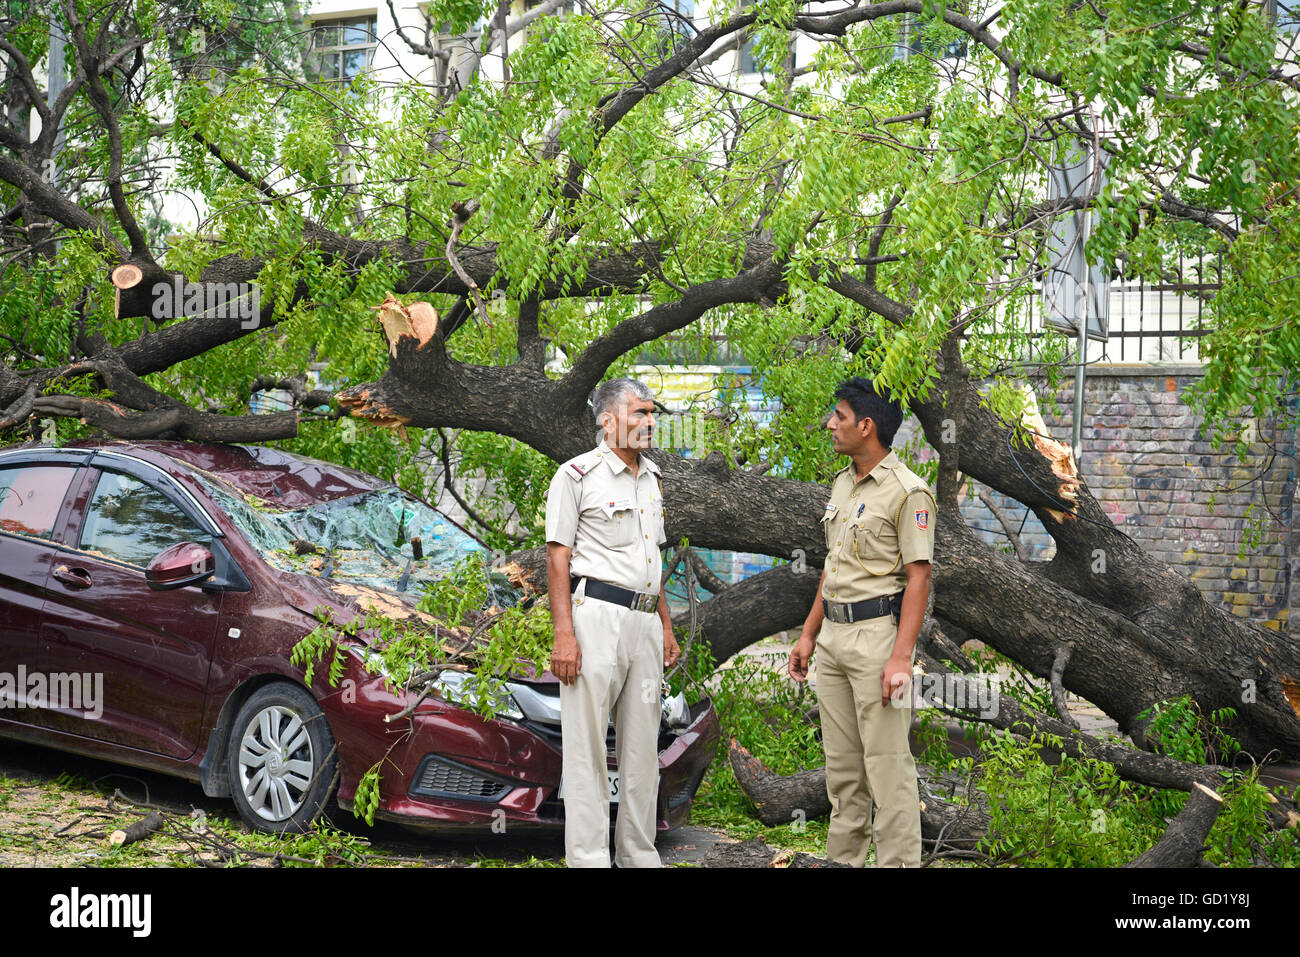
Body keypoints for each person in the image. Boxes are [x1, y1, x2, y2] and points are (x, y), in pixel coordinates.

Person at [787, 376, 935, 868]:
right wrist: (809, 634)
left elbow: (919, 579)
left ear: (866, 426)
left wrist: (900, 658)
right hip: (831, 639)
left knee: (889, 772)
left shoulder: (909, 492)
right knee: (843, 774)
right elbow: (833, 566)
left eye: (840, 417)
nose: (831, 424)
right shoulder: (843, 483)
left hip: (877, 641)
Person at [544, 377, 681, 868]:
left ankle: (638, 854)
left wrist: (665, 625)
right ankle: (588, 859)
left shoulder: (653, 478)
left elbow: (653, 559)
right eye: (639, 413)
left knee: (643, 749)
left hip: (643, 623)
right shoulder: (576, 476)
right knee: (586, 751)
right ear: (607, 420)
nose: (649, 422)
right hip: (594, 619)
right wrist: (564, 635)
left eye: (652, 414)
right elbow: (558, 558)